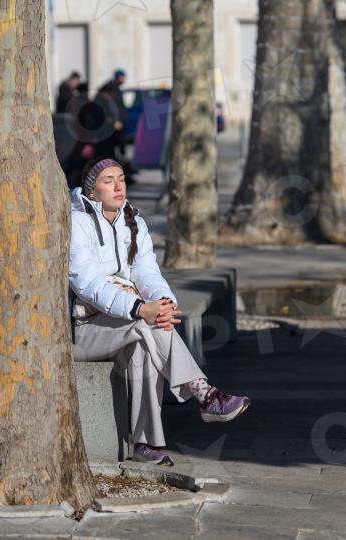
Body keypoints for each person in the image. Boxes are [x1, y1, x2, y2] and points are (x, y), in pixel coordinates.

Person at [69, 157, 250, 466]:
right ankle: (203, 393)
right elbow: (88, 284)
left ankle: (146, 444)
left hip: (122, 321)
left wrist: (163, 303)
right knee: (145, 325)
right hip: (81, 331)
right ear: (91, 190)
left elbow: (147, 273)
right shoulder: (77, 224)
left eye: (121, 178)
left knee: (146, 342)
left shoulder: (133, 222)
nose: (118, 186)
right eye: (108, 181)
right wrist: (140, 308)